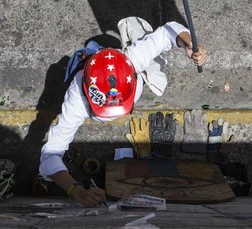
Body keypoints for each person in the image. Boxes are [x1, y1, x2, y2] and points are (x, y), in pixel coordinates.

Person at [39, 20, 207, 207]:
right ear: (86, 92)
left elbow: (168, 31)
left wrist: (189, 42)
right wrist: (75, 191)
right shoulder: (76, 97)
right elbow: (49, 156)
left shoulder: (132, 58)